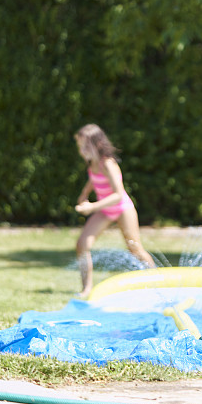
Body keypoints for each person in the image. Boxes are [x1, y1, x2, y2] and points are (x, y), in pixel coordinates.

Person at [74, 124, 156, 298]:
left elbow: (118, 194)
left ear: (96, 144)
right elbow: (94, 180)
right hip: (105, 210)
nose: (81, 151)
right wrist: (84, 194)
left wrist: (91, 207)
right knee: (82, 244)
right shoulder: (93, 164)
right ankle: (86, 289)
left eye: (84, 146)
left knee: (135, 249)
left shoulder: (108, 164)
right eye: (80, 146)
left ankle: (157, 282)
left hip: (122, 208)